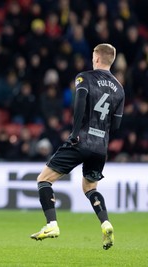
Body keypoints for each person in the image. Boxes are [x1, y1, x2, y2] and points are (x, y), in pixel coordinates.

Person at [30, 43, 125, 250]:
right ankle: (106, 223)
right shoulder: (119, 88)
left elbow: (79, 104)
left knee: (44, 179)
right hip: (101, 147)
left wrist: (74, 134)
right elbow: (116, 125)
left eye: (93, 55)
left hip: (81, 140)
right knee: (90, 187)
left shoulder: (85, 78)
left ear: (97, 58)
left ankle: (52, 224)